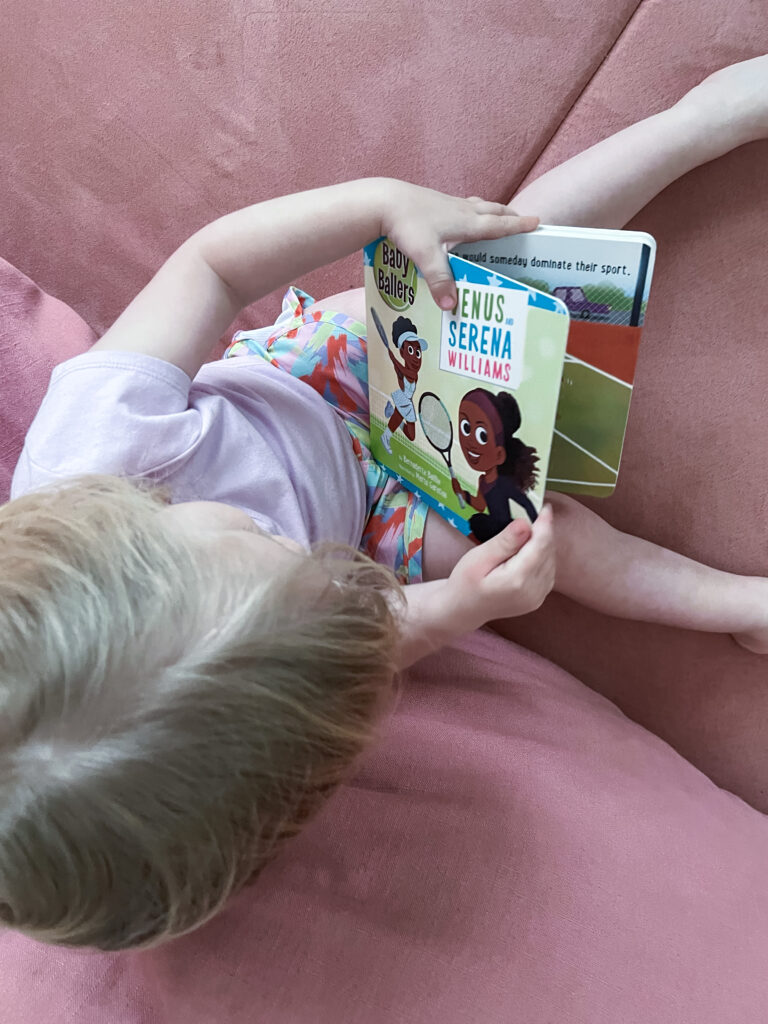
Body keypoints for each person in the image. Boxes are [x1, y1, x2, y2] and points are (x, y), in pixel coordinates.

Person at [1, 56, 767, 953]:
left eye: (255, 536)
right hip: (372, 523)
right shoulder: (264, 702)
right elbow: (370, 630)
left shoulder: (100, 435)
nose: (296, 555)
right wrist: (467, 603)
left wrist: (377, 203)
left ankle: (697, 121)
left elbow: (211, 265)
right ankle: (737, 605)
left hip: (315, 377)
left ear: (116, 522)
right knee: (537, 540)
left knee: (492, 266)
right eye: (301, 589)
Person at [452, 388, 539, 539]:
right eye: (466, 428)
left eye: (482, 436)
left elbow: (526, 503)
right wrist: (462, 493)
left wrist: (536, 531)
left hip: (504, 529)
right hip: (492, 527)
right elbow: (480, 504)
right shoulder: (483, 481)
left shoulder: (504, 483)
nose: (470, 442)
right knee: (475, 523)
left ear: (499, 454)